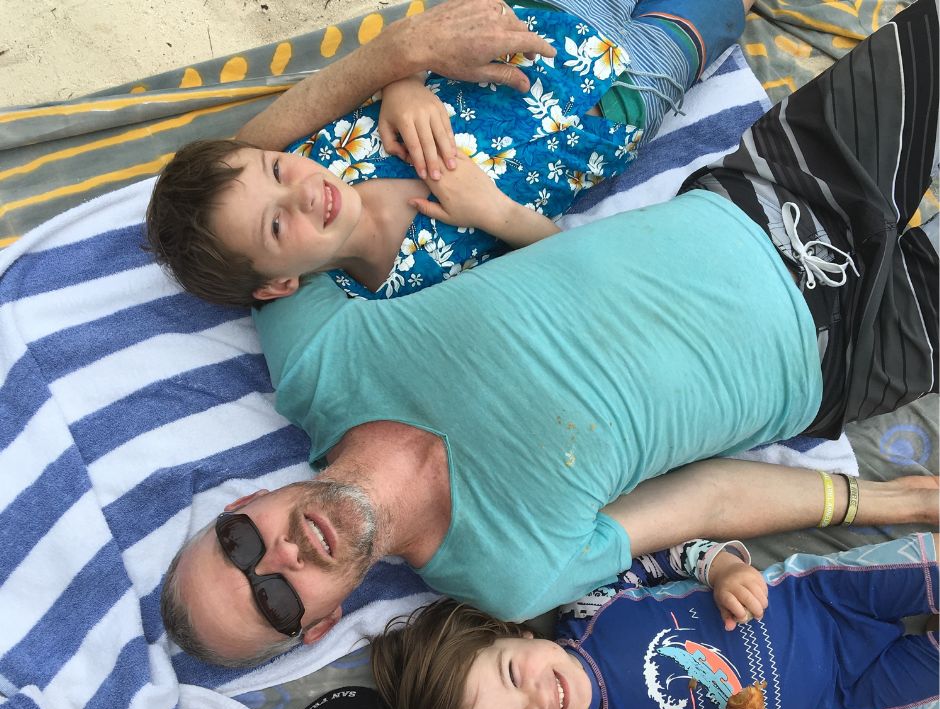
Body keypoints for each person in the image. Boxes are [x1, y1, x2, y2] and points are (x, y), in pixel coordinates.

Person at [160, 0, 939, 667]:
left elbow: (233, 168)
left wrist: (399, 58)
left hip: (771, 196)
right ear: (320, 624)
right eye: (272, 599)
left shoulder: (316, 366)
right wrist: (888, 502)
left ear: (248, 501)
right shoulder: (506, 578)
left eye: (239, 545)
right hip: (843, 362)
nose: (282, 557)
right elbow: (705, 500)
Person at [146, 0, 749, 304]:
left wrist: (401, 81)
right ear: (279, 285)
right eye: (276, 225)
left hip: (544, 19)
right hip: (623, 99)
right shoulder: (405, 292)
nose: (301, 191)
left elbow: (244, 149)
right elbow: (577, 270)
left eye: (278, 172)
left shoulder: (317, 151)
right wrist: (495, 214)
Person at [369, 532, 940, 709]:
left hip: (821, 596)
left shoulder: (588, 604)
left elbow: (672, 556)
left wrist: (721, 569)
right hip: (842, 696)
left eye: (514, 674)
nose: (539, 697)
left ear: (510, 633)